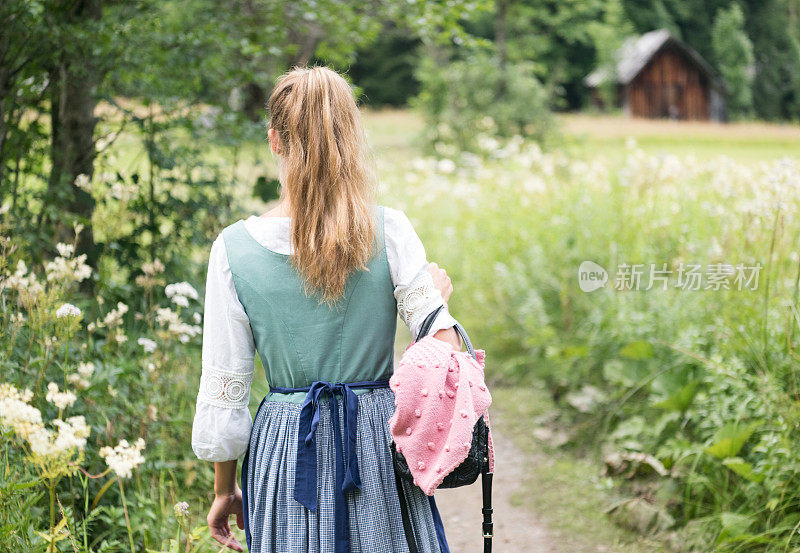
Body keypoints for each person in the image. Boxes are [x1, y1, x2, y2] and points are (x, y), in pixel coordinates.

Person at [190, 65, 463, 553]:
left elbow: (225, 388)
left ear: (275, 141)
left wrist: (223, 488)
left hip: (286, 451)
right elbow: (444, 347)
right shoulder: (390, 230)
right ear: (350, 139)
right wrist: (436, 306)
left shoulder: (232, 249)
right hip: (376, 444)